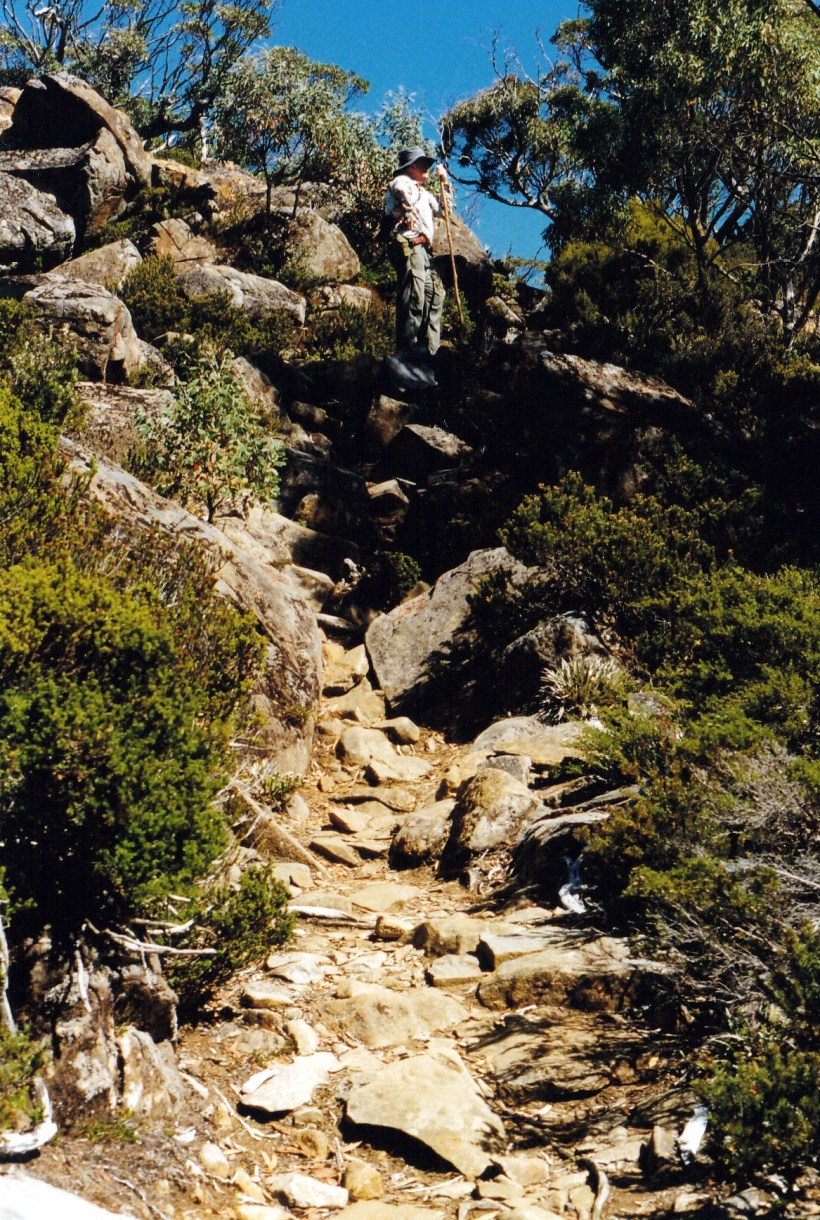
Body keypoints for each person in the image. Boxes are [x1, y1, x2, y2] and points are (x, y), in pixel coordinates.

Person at [384, 146, 452, 388]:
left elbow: (445, 210)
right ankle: (406, 354)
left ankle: (427, 356)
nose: (426, 170)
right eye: (422, 165)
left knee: (434, 296)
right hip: (410, 243)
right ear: (411, 166)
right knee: (414, 296)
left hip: (424, 249)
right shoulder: (402, 182)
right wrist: (408, 209)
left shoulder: (425, 193)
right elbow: (399, 190)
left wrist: (445, 184)